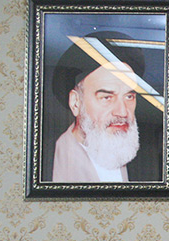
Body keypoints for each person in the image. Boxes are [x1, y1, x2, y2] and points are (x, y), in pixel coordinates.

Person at [50, 31, 145, 183]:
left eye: (129, 97)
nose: (122, 112)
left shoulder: (142, 163)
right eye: (107, 98)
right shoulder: (52, 161)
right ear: (76, 102)